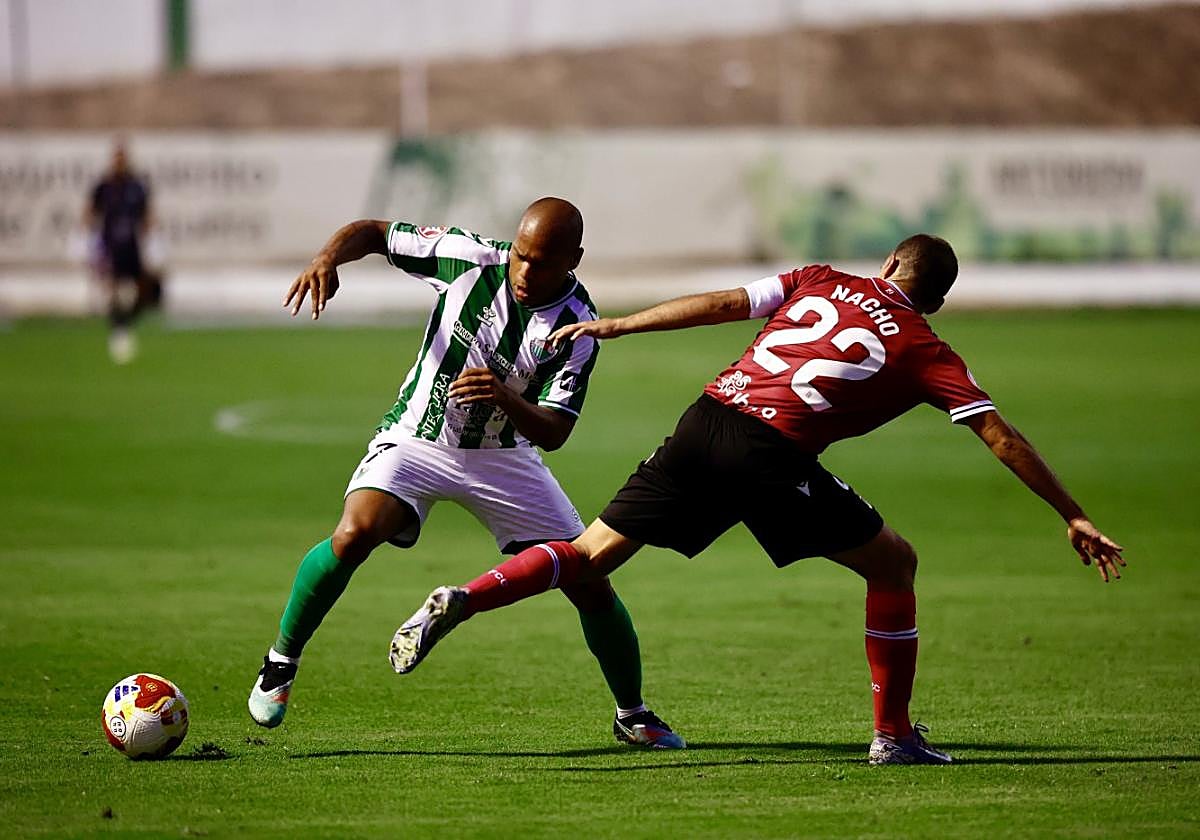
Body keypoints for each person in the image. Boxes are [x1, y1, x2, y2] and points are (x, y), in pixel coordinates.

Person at [389, 233, 1126, 765]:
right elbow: (998, 435)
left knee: (588, 555)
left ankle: (468, 596)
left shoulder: (820, 279)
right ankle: (894, 735)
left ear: (888, 265)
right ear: (934, 300)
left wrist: (620, 324)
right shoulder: (923, 346)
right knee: (894, 563)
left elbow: (723, 302)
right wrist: (1072, 513)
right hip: (770, 454)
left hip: (706, 418)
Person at [248, 197, 685, 749]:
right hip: (419, 437)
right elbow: (375, 232)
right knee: (354, 533)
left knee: (589, 579)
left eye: (542, 263)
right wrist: (328, 257)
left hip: (504, 457)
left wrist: (504, 396)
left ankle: (632, 715)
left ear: (574, 259)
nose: (525, 273)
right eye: (521, 256)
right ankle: (281, 662)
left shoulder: (579, 325)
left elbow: (554, 431)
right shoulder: (468, 258)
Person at [84, 141, 154, 364]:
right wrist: (90, 238)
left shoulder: (136, 186)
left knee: (137, 288)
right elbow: (90, 211)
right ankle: (117, 327)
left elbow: (146, 214)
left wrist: (150, 239)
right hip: (110, 244)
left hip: (131, 244)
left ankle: (126, 322)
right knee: (113, 286)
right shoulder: (105, 186)